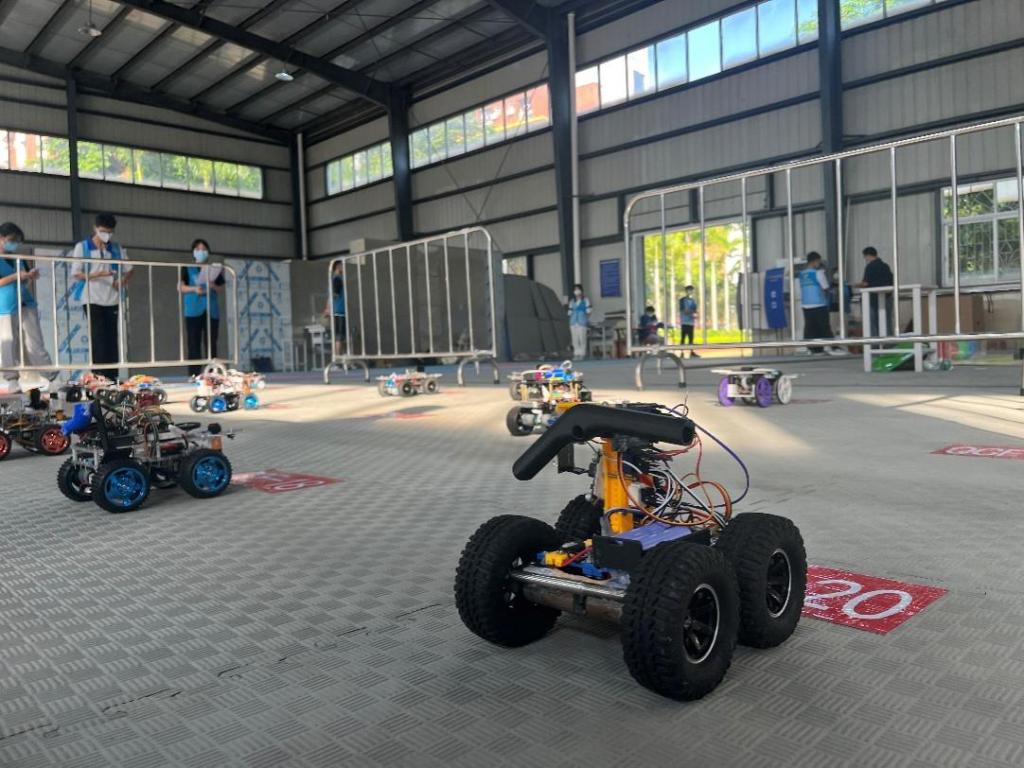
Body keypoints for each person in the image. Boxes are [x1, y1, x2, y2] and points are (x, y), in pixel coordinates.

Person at [71, 213, 133, 381]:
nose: (107, 235)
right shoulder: (83, 247)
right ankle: (98, 376)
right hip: (91, 297)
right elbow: (76, 273)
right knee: (98, 337)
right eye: (104, 231)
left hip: (112, 298)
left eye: (110, 232)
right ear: (95, 228)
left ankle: (112, 376)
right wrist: (97, 274)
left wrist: (122, 281)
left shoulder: (116, 248)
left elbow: (129, 269)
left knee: (112, 338)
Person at [0, 223, 52, 393]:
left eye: (18, 241)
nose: (14, 244)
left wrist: (30, 276)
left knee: (35, 343)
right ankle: (12, 380)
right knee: (9, 343)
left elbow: (25, 278)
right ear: (1, 238)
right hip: (6, 305)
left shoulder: (19, 258)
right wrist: (16, 276)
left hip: (26, 302)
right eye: (12, 240)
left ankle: (51, 376)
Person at [179, 239, 225, 377]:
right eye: (198, 249)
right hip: (193, 310)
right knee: (194, 343)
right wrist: (194, 289)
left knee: (211, 343)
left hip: (211, 310)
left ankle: (212, 374)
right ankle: (194, 375)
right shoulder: (187, 268)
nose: (201, 252)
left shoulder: (214, 269)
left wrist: (213, 286)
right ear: (193, 252)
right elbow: (180, 287)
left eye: (204, 249)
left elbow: (221, 288)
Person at [799, 252, 842, 356]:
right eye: (818, 261)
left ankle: (815, 349)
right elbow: (825, 287)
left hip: (806, 304)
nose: (819, 263)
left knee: (810, 327)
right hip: (819, 304)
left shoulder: (802, 274)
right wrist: (832, 291)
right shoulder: (818, 273)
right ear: (815, 261)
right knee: (824, 327)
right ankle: (834, 347)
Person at [856, 246, 893, 337]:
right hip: (886, 297)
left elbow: (865, 283)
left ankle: (874, 343)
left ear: (868, 255)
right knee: (886, 322)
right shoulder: (885, 266)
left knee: (872, 324)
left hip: (872, 299)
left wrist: (856, 285)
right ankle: (889, 342)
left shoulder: (870, 267)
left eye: (865, 257)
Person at [322, 261, 346, 356]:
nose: (344, 268)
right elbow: (334, 295)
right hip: (338, 310)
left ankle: (339, 355)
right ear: (338, 267)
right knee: (339, 335)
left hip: (337, 310)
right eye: (342, 266)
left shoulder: (334, 279)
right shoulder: (337, 279)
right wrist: (328, 308)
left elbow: (331, 296)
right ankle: (338, 356)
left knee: (339, 335)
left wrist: (327, 308)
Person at [567, 283, 591, 359]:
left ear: (581, 290)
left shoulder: (585, 300)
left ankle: (582, 353)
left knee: (582, 338)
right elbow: (569, 312)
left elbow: (589, 311)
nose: (576, 291)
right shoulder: (572, 301)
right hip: (573, 321)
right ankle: (576, 353)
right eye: (575, 289)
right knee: (575, 338)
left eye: (578, 289)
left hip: (582, 321)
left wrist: (586, 318)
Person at [678, 285, 699, 358]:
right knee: (683, 337)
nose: (691, 291)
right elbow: (684, 311)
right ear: (686, 291)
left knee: (691, 338)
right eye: (689, 290)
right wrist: (691, 312)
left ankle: (691, 352)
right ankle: (681, 352)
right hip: (684, 322)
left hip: (691, 322)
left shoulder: (693, 300)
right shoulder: (682, 300)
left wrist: (693, 313)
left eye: (692, 290)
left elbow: (695, 310)